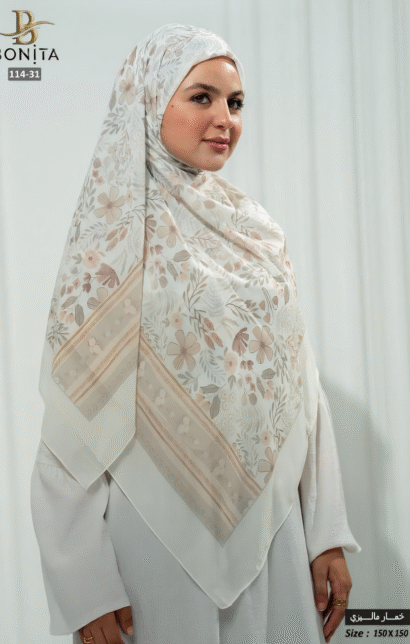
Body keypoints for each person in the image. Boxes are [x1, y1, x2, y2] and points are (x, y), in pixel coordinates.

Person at [31, 23, 361, 644]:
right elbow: (76, 412)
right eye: (201, 97)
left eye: (235, 103)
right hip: (150, 534)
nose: (224, 119)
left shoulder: (257, 233)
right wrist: (82, 586)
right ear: (148, 101)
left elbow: (300, 390)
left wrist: (326, 534)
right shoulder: (111, 238)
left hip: (273, 527)